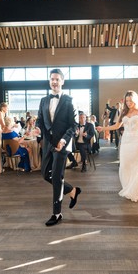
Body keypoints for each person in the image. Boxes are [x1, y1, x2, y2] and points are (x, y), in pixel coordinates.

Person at [38, 69, 81, 226]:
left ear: (62, 81)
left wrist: (63, 140)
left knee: (56, 177)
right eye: (52, 79)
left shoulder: (70, 100)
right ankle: (72, 190)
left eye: (57, 79)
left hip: (63, 144)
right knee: (44, 175)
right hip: (48, 143)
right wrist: (37, 129)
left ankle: (57, 213)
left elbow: (74, 125)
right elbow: (40, 121)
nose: (54, 81)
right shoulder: (43, 100)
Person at [102, 91, 138, 202]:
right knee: (124, 165)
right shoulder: (123, 111)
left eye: (130, 100)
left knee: (135, 164)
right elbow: (116, 126)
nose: (128, 103)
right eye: (127, 101)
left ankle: (135, 189)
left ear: (135, 100)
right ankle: (128, 186)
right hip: (125, 141)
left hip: (136, 141)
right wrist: (103, 128)